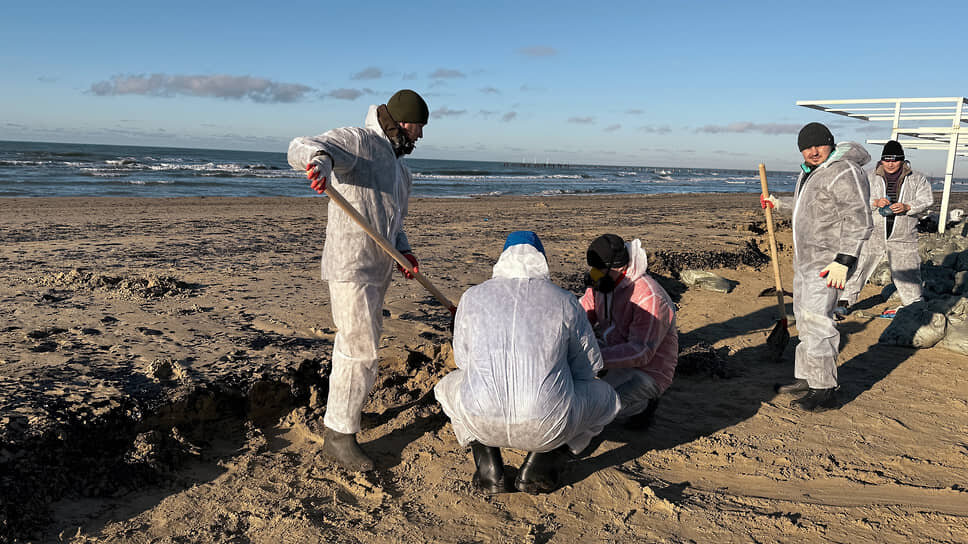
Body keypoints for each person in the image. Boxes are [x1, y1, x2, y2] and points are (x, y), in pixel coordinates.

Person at [287, 89, 429, 471]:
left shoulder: (402, 172)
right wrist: (319, 165)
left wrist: (405, 252)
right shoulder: (360, 142)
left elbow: (394, 223)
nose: (419, 135)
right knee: (359, 348)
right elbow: (304, 145)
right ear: (403, 121)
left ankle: (347, 412)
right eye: (418, 127)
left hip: (379, 268)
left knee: (363, 344)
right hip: (351, 265)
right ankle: (339, 435)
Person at [434, 231, 620, 494]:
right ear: (542, 260)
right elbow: (588, 368)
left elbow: (463, 362)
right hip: (546, 427)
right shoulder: (564, 300)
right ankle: (544, 462)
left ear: (502, 259)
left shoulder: (472, 297)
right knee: (608, 399)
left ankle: (486, 461)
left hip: (481, 421)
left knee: (445, 388)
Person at [761, 122, 872, 412]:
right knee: (805, 320)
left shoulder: (844, 170)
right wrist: (778, 204)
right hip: (806, 261)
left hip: (829, 262)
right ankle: (807, 378)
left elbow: (859, 219)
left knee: (819, 322)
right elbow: (807, 208)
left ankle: (824, 389)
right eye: (806, 147)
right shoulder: (810, 171)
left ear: (830, 143)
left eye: (818, 145)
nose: (812, 151)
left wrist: (844, 260)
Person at [578, 234, 678, 428]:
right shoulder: (603, 283)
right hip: (613, 355)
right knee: (580, 398)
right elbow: (582, 315)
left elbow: (641, 352)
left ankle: (644, 405)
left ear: (619, 267)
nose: (594, 274)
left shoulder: (649, 297)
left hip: (647, 370)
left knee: (597, 411)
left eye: (599, 269)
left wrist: (594, 358)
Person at [840, 140, 933, 314]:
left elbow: (927, 200)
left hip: (903, 236)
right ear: (881, 160)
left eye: (895, 160)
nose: (890, 164)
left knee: (907, 271)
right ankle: (844, 301)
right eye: (887, 159)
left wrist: (908, 206)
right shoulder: (868, 176)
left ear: (902, 160)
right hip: (873, 233)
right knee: (860, 266)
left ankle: (914, 305)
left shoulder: (917, 178)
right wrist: (875, 202)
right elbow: (855, 199)